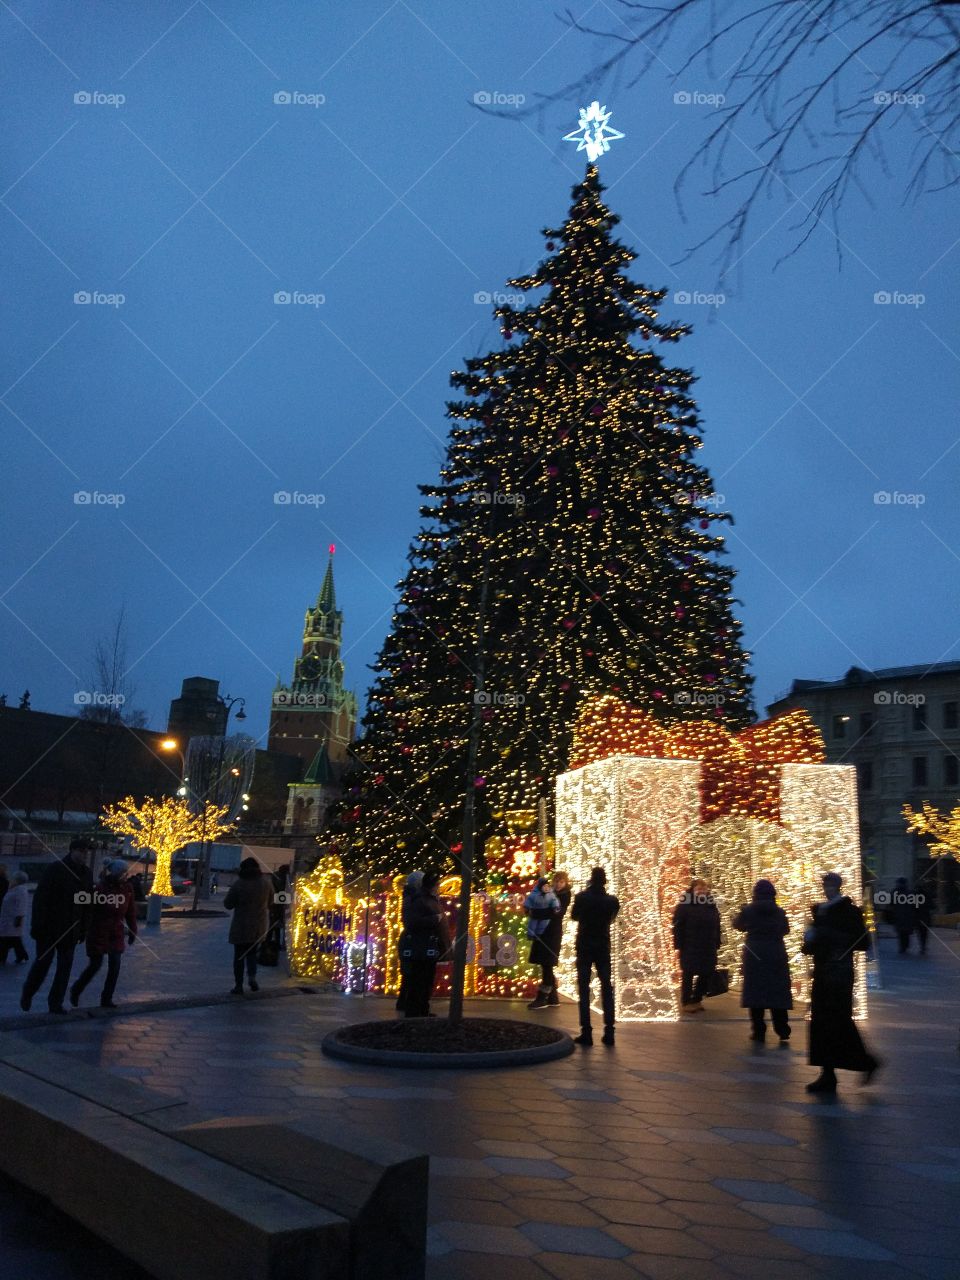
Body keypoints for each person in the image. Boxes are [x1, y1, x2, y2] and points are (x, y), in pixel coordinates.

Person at [802, 871, 881, 1093]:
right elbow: (812, 943)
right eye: (825, 884)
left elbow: (862, 942)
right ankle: (828, 1074)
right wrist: (810, 941)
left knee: (839, 1021)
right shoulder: (820, 911)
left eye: (831, 884)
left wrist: (825, 935)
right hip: (823, 972)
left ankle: (866, 1062)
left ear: (838, 886)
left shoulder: (849, 911)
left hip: (839, 974)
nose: (827, 888)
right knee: (820, 1022)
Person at [21, 838, 93, 1014]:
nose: (85, 855)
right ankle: (28, 992)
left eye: (86, 852)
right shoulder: (55, 869)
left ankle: (55, 1003)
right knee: (42, 964)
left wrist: (84, 928)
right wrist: (37, 926)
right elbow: (41, 899)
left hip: (71, 929)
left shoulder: (86, 873)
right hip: (49, 928)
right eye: (82, 851)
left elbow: (87, 903)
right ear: (73, 850)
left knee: (64, 968)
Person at [69, 859, 137, 1009]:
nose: (125, 875)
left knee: (115, 966)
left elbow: (130, 912)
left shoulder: (127, 888)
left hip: (116, 932)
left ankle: (107, 998)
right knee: (95, 965)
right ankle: (76, 989)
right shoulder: (100, 888)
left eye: (126, 872)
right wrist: (82, 929)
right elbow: (88, 910)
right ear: (114, 873)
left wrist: (133, 930)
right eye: (122, 872)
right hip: (98, 931)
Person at [732, 879, 792, 1042]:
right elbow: (786, 930)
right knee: (776, 992)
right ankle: (782, 1029)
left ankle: (759, 1031)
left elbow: (738, 925)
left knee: (755, 992)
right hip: (776, 953)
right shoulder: (779, 912)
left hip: (755, 953)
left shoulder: (748, 910)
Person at [571, 866, 620, 1046]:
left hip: (584, 945)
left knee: (584, 988)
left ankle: (587, 1031)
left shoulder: (581, 897)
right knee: (606, 986)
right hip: (602, 945)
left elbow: (574, 916)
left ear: (591, 879)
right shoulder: (612, 901)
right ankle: (609, 1030)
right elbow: (612, 917)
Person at [400, 867, 449, 1018]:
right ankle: (415, 1011)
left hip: (428, 946)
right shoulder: (418, 900)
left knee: (425, 979)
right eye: (437, 885)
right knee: (419, 979)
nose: (439, 888)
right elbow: (411, 922)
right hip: (420, 946)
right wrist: (435, 919)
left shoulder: (427, 899)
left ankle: (421, 1009)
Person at [672, 878, 722, 1012]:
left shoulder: (711, 905)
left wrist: (717, 941)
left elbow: (717, 925)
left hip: (708, 945)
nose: (701, 892)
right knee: (688, 974)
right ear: (693, 890)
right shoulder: (684, 905)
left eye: (704, 889)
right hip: (690, 945)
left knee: (707, 972)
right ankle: (686, 1001)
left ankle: (697, 999)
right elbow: (677, 927)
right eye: (699, 889)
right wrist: (678, 945)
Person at [224, 857, 272, 994]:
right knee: (251, 953)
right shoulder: (266, 883)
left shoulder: (239, 884)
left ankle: (238, 985)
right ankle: (252, 977)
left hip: (241, 925)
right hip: (259, 926)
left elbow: (228, 904)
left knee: (239, 956)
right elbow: (272, 901)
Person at [527, 871, 571, 1010]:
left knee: (547, 964)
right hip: (543, 931)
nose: (558, 884)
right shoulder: (548, 892)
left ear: (565, 883)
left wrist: (536, 913)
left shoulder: (564, 895)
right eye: (556, 881)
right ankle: (552, 997)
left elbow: (556, 913)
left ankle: (542, 997)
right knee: (545, 963)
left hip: (552, 933)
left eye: (561, 882)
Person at [396, 870, 424, 1013]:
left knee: (409, 975)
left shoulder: (409, 897)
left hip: (409, 940)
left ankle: (404, 1002)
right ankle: (409, 1005)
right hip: (412, 941)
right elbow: (411, 920)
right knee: (411, 974)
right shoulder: (413, 898)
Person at [0, 871, 31, 964]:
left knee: (6, 940)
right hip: (9, 919)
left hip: (12, 920)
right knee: (14, 940)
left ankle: (3, 958)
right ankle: (22, 955)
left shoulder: (20, 891)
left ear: (17, 880)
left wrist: (18, 919)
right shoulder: (15, 889)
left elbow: (21, 907)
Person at [890, 876, 915, 954]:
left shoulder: (895, 892)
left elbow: (891, 903)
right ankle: (905, 946)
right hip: (907, 915)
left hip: (899, 915)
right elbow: (913, 904)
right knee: (905, 932)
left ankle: (903, 947)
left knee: (901, 933)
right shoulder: (909, 892)